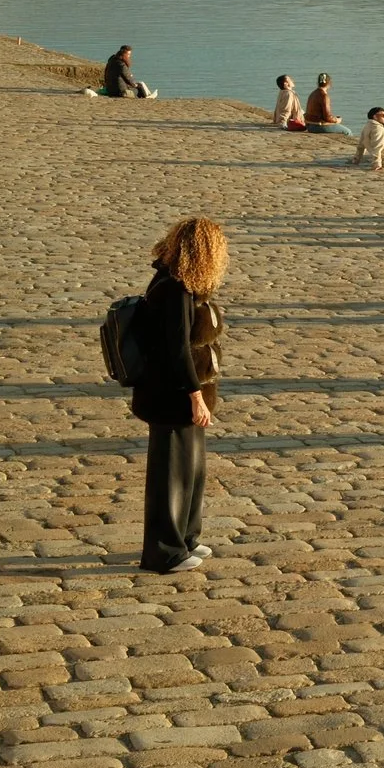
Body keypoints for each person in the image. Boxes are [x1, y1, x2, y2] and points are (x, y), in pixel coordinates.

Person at [131, 216, 227, 573]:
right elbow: (177, 351)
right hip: (169, 395)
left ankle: (186, 538)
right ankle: (163, 551)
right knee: (169, 475)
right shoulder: (173, 290)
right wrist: (195, 395)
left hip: (178, 393)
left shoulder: (182, 285)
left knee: (191, 471)